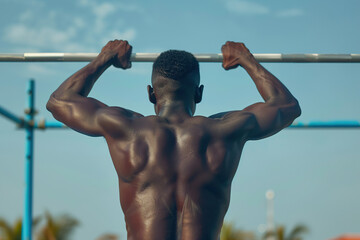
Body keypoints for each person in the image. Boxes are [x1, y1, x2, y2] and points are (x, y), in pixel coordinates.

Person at [47, 40, 301, 240]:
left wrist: (105, 58)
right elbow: (286, 105)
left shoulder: (126, 128)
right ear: (199, 94)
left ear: (150, 93)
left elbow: (60, 101)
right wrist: (246, 60)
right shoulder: (225, 130)